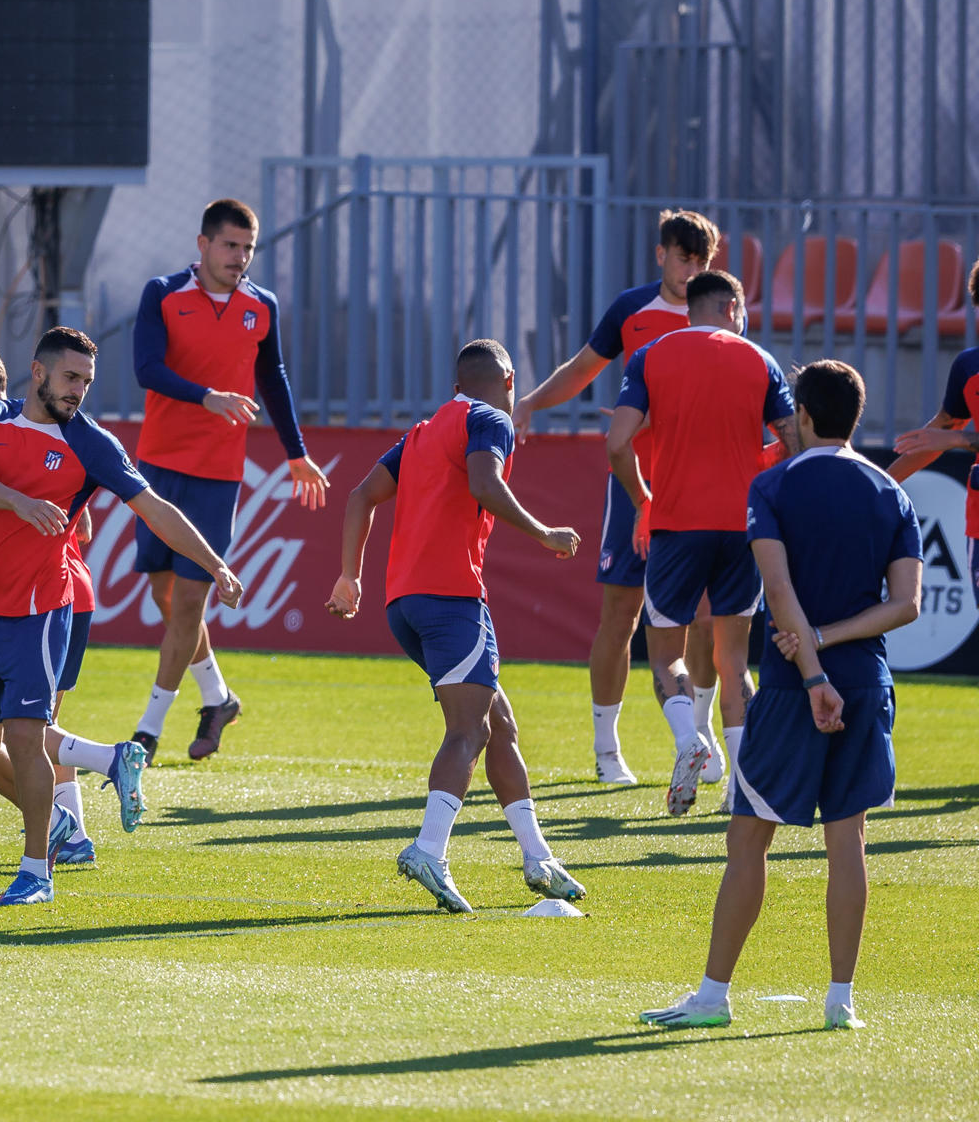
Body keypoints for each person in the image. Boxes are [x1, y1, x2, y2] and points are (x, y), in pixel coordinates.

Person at [640, 360, 920, 1032]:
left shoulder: (772, 485)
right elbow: (905, 606)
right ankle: (839, 1001)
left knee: (748, 840)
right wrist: (832, 641)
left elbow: (780, 589)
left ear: (802, 416)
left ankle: (712, 995)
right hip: (866, 683)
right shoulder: (891, 493)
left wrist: (814, 666)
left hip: (799, 689)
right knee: (846, 839)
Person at [0, 328, 242, 906]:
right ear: (37, 372)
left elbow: (155, 508)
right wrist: (20, 501)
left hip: (41, 607)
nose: (78, 390)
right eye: (69, 378)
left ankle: (37, 872)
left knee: (27, 738)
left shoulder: (93, 444)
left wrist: (214, 564)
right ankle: (67, 814)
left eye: (86, 380)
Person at [327, 340, 587, 914]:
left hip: (404, 604)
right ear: (510, 379)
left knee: (499, 722)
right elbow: (483, 484)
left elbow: (360, 495)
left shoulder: (423, 431)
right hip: (452, 598)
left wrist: (351, 577)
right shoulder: (491, 419)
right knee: (467, 731)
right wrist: (545, 534)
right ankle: (428, 848)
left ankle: (537, 857)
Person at [512, 209, 725, 786]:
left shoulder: (724, 313)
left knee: (709, 620)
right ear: (661, 255)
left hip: (702, 487)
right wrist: (529, 401)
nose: (693, 269)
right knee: (620, 615)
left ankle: (700, 737)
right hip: (636, 481)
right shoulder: (632, 310)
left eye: (702, 259)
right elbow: (584, 369)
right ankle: (607, 751)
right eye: (684, 256)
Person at [128, 198, 327, 763]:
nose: (240, 257)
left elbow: (274, 377)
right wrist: (207, 397)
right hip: (159, 465)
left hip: (218, 475)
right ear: (203, 244)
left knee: (190, 599)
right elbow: (147, 369)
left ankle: (148, 729)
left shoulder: (261, 306)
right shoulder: (162, 293)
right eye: (230, 246)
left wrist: (296, 454)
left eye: (248, 248)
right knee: (164, 594)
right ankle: (219, 697)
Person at [607, 269, 798, 818]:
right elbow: (793, 440)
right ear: (732, 307)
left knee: (666, 656)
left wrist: (644, 498)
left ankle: (690, 738)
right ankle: (742, 789)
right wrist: (755, 467)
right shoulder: (758, 360)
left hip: (674, 525)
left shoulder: (651, 357)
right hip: (743, 527)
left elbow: (618, 443)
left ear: (689, 309)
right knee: (734, 661)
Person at [0, 342, 102, 866]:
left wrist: (31, 515)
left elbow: (83, 518)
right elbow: (83, 523)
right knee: (17, 731)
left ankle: (97, 782)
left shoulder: (29, 425)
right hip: (40, 594)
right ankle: (69, 831)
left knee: (29, 731)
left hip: (51, 595)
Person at [888, 259, 979, 591]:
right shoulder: (969, 366)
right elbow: (938, 434)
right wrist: (883, 483)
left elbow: (948, 438)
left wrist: (956, 441)